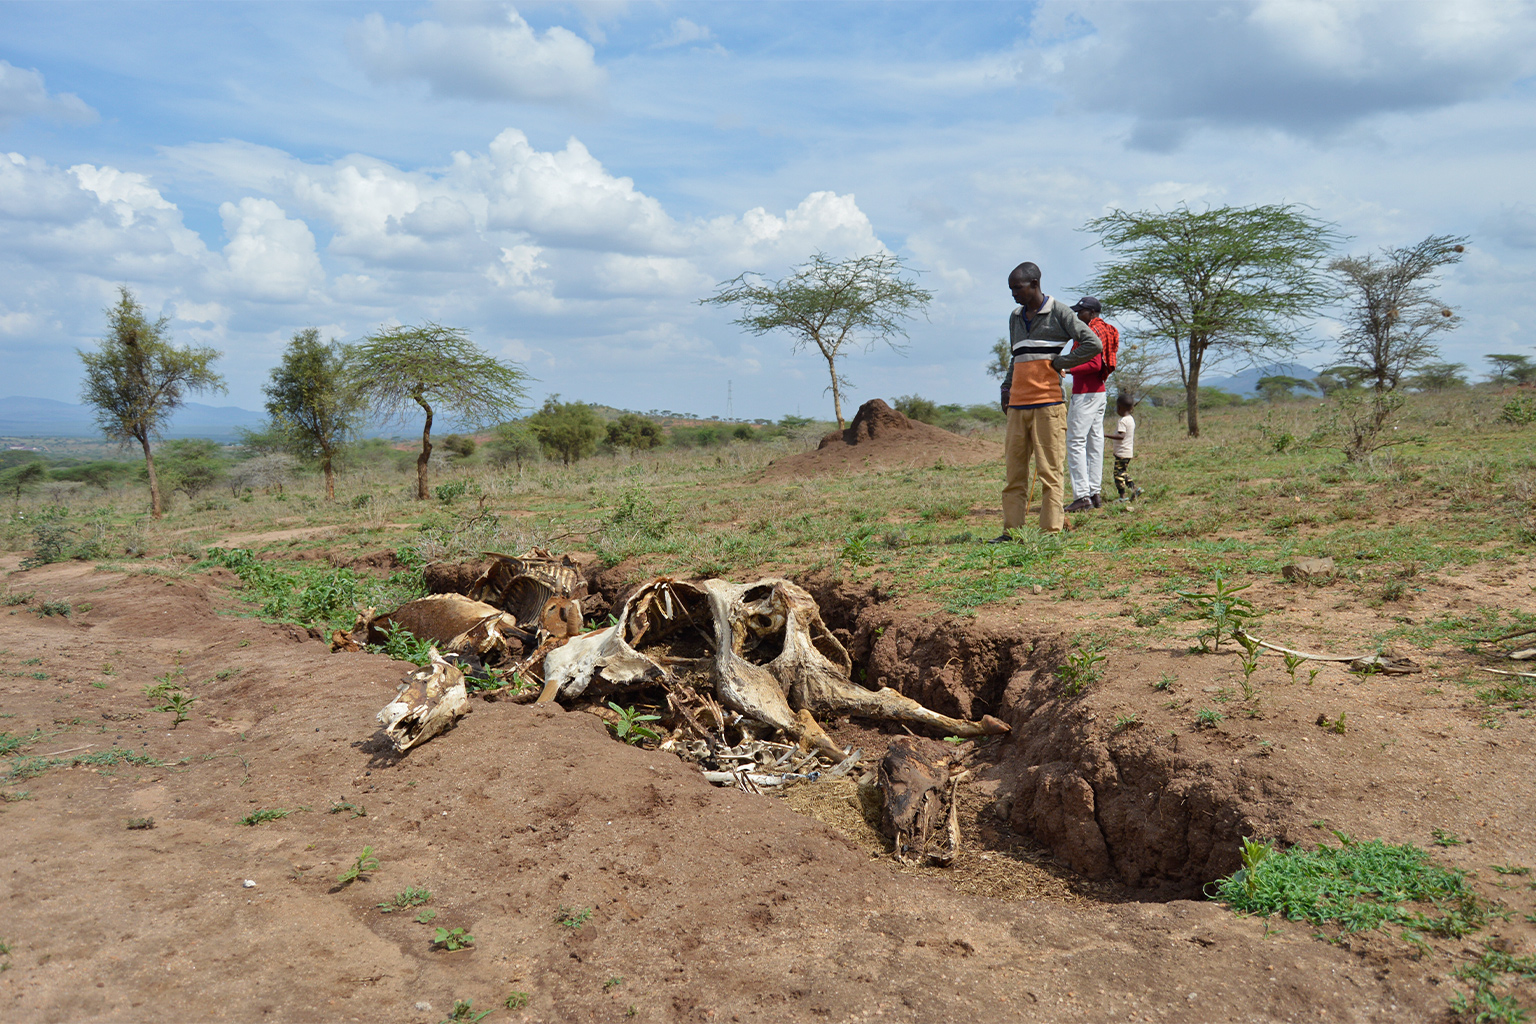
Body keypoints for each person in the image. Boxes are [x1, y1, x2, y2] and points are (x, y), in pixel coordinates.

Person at [991, 262, 1102, 539]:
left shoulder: (1060, 312)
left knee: (1050, 472)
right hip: (1017, 406)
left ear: (1035, 284)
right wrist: (1006, 388)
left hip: (1048, 404)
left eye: (1018, 288)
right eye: (1011, 289)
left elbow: (1093, 344)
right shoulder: (1015, 317)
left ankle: (1050, 532)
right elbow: (1016, 357)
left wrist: (1061, 362)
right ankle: (1012, 532)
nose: (1013, 294)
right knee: (1014, 474)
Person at [1063, 297, 1116, 512]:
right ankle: (1094, 493)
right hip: (1099, 393)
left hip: (1085, 394)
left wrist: (1067, 369)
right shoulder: (1105, 329)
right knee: (1095, 443)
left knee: (1075, 442)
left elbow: (1094, 364)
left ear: (1091, 312)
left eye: (1080, 312)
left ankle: (1082, 496)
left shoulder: (1091, 331)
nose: (1077, 316)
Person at [1105, 394, 1143, 501]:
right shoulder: (1131, 419)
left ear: (1119, 407)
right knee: (1123, 472)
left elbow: (1121, 436)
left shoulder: (1122, 421)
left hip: (1122, 453)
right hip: (1128, 452)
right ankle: (1135, 488)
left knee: (1118, 475)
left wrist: (1106, 435)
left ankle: (1122, 496)